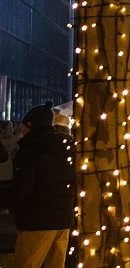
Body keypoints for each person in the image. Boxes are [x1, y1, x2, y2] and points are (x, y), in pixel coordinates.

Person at [7, 104, 74, 268]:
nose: (21, 129)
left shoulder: (30, 149)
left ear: (31, 124)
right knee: (57, 264)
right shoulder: (65, 147)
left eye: (23, 125)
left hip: (37, 218)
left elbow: (22, 187)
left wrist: (11, 203)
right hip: (63, 218)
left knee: (27, 264)